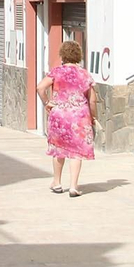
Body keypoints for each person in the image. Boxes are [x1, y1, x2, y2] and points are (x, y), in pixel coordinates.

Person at [37, 40, 96, 197]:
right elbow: (92, 99)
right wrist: (93, 116)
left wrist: (47, 103)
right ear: (78, 55)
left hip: (59, 116)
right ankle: (73, 187)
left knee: (59, 149)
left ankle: (57, 182)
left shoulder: (56, 72)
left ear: (62, 54)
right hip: (79, 117)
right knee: (76, 152)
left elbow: (40, 87)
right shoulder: (85, 74)